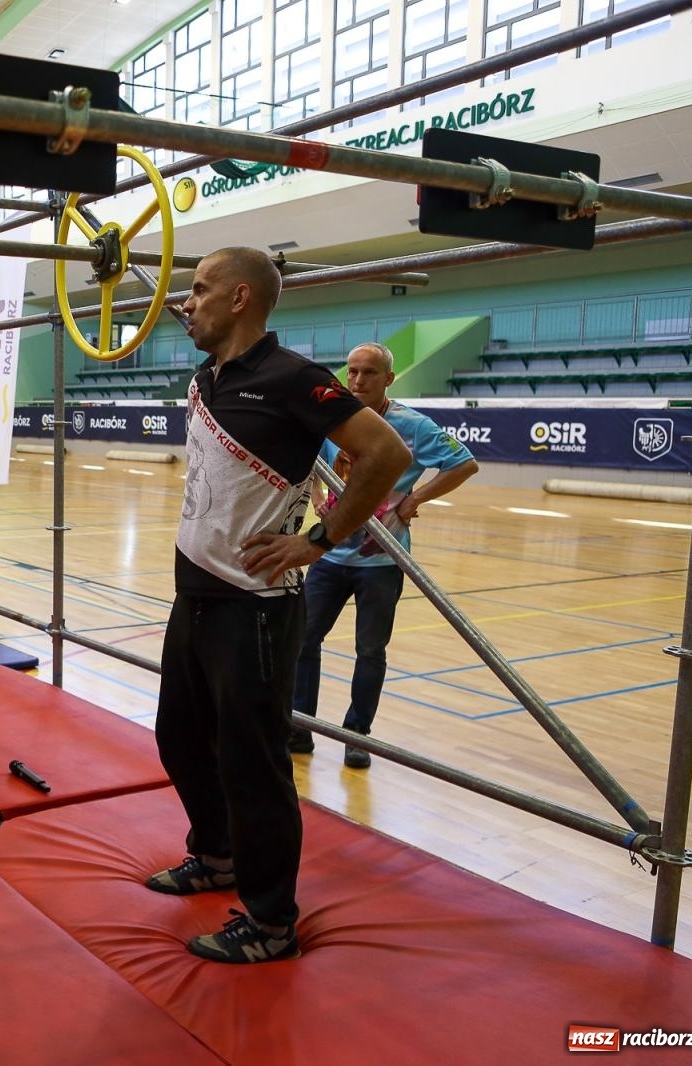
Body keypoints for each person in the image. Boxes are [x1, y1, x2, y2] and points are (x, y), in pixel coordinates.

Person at [144, 247, 409, 965]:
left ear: (238, 297)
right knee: (178, 738)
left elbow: (384, 454)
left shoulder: (294, 378)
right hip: (194, 595)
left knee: (253, 765)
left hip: (254, 606)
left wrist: (319, 540)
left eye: (197, 290)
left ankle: (270, 920)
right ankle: (218, 854)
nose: (185, 302)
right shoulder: (207, 377)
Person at [289, 343, 479, 768]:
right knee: (303, 638)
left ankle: (358, 734)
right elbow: (312, 461)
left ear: (389, 379)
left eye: (369, 373)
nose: (358, 381)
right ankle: (299, 726)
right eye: (352, 372)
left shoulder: (412, 426)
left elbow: (464, 463)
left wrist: (417, 499)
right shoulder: (332, 415)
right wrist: (320, 493)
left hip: (381, 561)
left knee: (370, 651)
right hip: (329, 553)